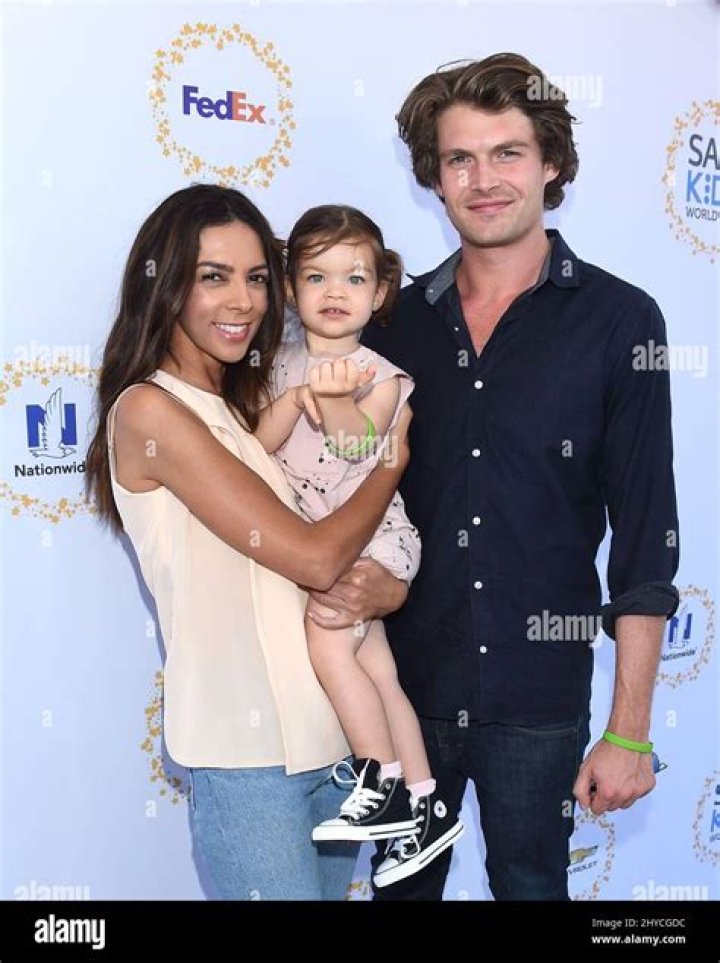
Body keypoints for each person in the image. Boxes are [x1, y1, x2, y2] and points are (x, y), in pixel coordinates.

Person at [308, 53, 680, 899]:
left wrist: (629, 729)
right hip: (399, 690)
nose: (483, 181)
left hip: (537, 700)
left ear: (551, 164)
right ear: (434, 177)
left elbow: (646, 536)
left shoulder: (621, 320)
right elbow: (331, 479)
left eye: (507, 153)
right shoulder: (390, 324)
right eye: (459, 159)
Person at [85, 184, 413, 901]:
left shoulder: (251, 404)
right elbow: (314, 556)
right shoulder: (150, 410)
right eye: (214, 276)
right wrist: (393, 460)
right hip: (246, 761)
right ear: (165, 283)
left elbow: (339, 552)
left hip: (335, 746)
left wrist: (387, 587)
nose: (242, 301)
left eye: (258, 278)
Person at [253, 205, 464, 881]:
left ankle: (379, 782)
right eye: (316, 276)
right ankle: (426, 805)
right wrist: (296, 399)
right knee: (379, 672)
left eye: (354, 277)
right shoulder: (276, 367)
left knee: (326, 642)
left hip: (377, 543)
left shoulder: (383, 375)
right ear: (291, 290)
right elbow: (255, 449)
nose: (335, 292)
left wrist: (336, 398)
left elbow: (355, 445)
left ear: (379, 293)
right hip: (327, 544)